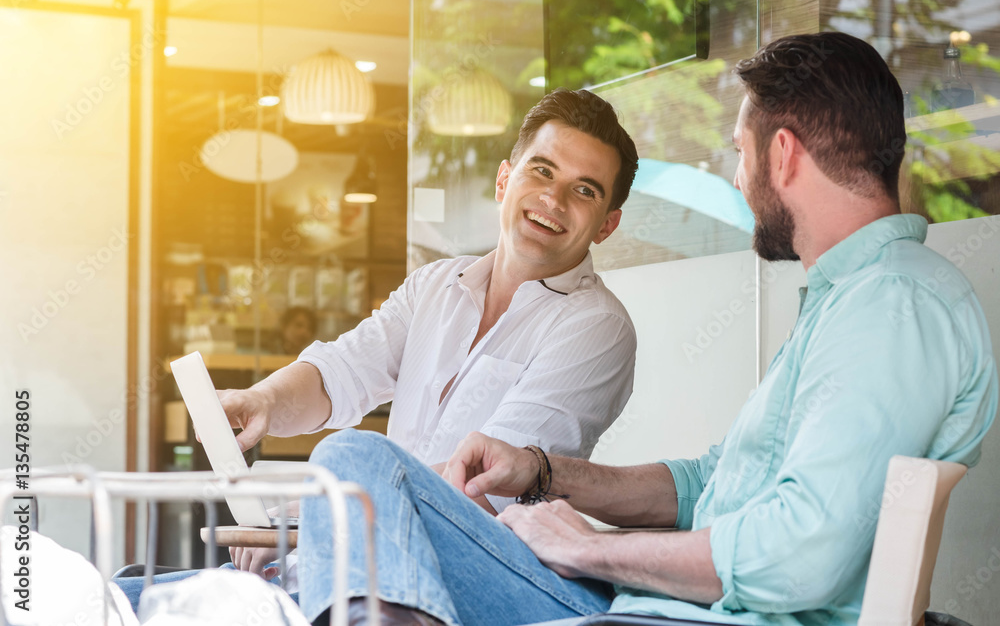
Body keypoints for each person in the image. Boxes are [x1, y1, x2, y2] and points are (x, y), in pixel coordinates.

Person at [295, 31, 998, 626]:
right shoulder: (854, 302)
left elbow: (801, 557)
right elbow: (705, 485)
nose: (737, 176)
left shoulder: (893, 307)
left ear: (781, 154)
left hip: (676, 617)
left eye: (740, 152)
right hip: (653, 605)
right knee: (338, 513)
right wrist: (542, 474)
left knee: (355, 467)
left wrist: (587, 550)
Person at [114, 88, 640, 608]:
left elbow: (485, 482)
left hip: (452, 586)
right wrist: (265, 402)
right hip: (339, 558)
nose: (553, 199)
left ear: (607, 225)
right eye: (541, 171)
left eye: (585, 190)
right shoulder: (436, 283)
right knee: (112, 596)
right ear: (505, 179)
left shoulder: (597, 327)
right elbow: (341, 370)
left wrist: (309, 516)